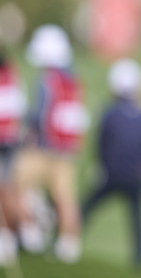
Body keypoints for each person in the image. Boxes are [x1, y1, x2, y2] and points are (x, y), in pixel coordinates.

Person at [15, 25, 88, 263]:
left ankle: (31, 234)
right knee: (65, 197)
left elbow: (37, 115)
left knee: (15, 185)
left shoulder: (46, 80)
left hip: (44, 149)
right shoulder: (73, 80)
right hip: (67, 151)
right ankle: (69, 246)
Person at [81, 59, 141, 270]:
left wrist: (101, 166)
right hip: (135, 176)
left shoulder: (110, 112)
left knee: (87, 207)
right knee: (138, 218)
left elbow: (101, 143)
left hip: (112, 174)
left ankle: (67, 242)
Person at [0, 16, 24, 267]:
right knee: (5, 187)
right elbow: (20, 103)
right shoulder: (9, 67)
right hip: (9, 137)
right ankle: (9, 240)